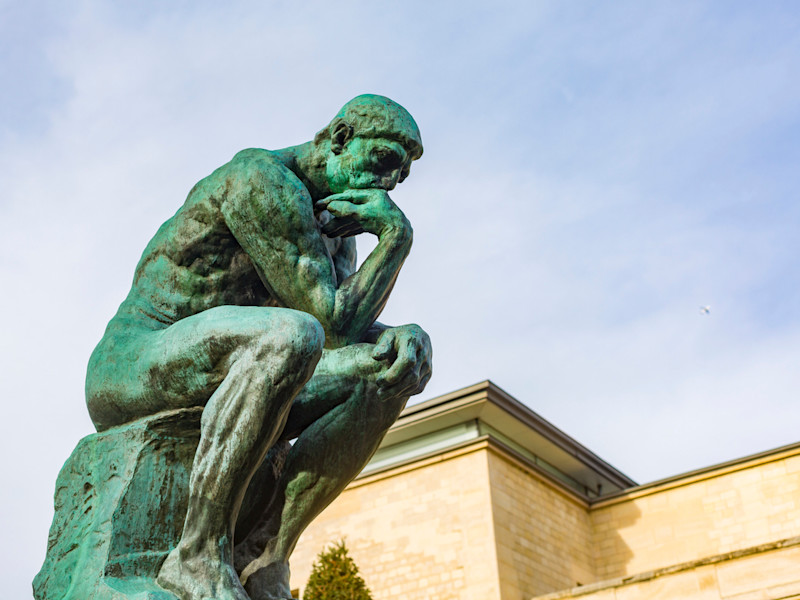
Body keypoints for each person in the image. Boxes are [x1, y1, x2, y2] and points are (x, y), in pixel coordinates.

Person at [85, 94, 432, 600]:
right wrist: (397, 238)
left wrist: (399, 338)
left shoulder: (338, 230)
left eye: (400, 176)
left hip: (244, 365)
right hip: (138, 361)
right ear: (339, 138)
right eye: (382, 161)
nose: (388, 184)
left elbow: (346, 328)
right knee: (293, 335)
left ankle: (264, 556)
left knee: (391, 367)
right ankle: (197, 555)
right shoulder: (262, 180)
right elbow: (330, 325)